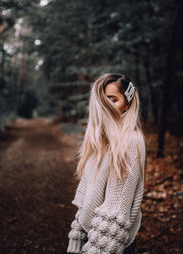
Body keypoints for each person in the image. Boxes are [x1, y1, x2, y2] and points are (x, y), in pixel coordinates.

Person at [66, 73, 146, 254]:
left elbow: (115, 211)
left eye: (113, 99)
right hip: (92, 234)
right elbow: (88, 198)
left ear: (127, 104)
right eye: (104, 101)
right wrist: (77, 238)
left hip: (109, 242)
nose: (107, 106)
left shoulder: (131, 141)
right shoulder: (100, 140)